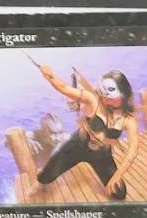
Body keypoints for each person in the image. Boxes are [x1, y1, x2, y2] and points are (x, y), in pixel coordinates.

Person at [30, 62, 140, 200]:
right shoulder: (93, 100)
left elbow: (133, 151)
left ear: (123, 92)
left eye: (111, 89)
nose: (106, 94)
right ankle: (40, 184)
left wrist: (116, 176)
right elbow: (63, 87)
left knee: (119, 193)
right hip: (77, 145)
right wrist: (50, 76)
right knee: (46, 174)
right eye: (104, 89)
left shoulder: (129, 120)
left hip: (101, 154)